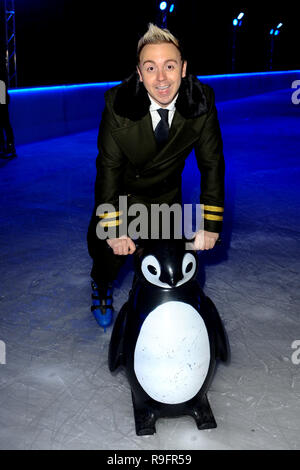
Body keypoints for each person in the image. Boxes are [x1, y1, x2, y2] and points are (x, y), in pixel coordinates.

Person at [87, 23, 225, 325]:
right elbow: (107, 168)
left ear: (183, 68)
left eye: (169, 66)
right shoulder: (117, 104)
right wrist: (113, 229)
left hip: (165, 195)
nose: (161, 78)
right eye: (151, 68)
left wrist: (210, 224)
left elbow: (211, 164)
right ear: (139, 73)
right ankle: (101, 284)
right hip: (122, 195)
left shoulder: (202, 101)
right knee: (107, 256)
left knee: (169, 264)